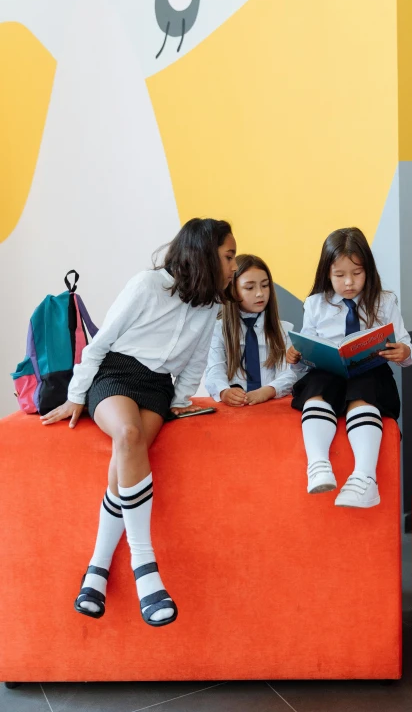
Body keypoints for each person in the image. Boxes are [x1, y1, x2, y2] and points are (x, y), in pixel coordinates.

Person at [41, 218, 237, 626]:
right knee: (127, 435)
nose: (234, 265)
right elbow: (102, 341)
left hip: (157, 389)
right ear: (204, 254)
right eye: (229, 256)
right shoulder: (147, 286)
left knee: (126, 458)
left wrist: (181, 401)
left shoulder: (211, 305)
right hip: (114, 374)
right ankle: (145, 568)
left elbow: (196, 360)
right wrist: (76, 394)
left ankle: (96, 569)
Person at [287, 227, 412, 508]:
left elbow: (406, 345)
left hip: (370, 373)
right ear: (327, 273)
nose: (349, 283)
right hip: (329, 372)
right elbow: (307, 344)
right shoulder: (315, 304)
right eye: (339, 275)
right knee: (317, 387)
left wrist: (403, 352)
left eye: (357, 274)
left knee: (364, 387)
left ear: (368, 270)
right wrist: (298, 356)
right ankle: (318, 464)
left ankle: (364, 478)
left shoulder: (385, 301)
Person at [205, 254, 296, 406]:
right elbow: (214, 371)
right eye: (250, 287)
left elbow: (289, 374)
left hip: (271, 407)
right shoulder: (218, 330)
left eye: (265, 285)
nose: (260, 293)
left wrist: (267, 391)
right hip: (235, 411)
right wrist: (225, 392)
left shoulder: (284, 330)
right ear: (232, 290)